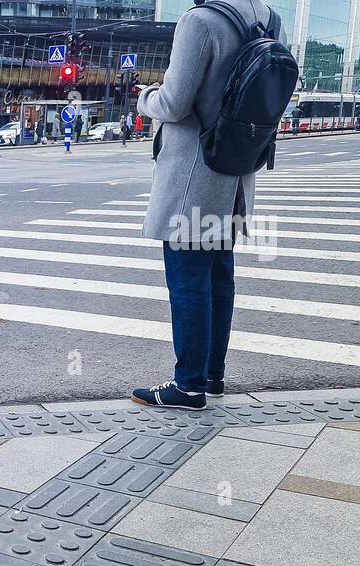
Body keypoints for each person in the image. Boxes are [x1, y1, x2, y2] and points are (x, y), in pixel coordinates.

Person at [130, 0, 285, 411]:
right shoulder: (268, 19)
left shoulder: (200, 21)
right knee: (218, 276)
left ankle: (188, 385)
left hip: (193, 177)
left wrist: (144, 97)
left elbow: (174, 104)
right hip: (235, 172)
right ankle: (212, 376)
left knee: (188, 281)